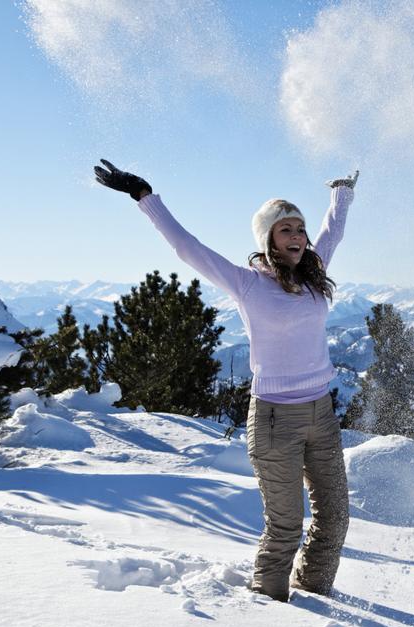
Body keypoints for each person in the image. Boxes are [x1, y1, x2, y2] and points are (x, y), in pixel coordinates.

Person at [94, 158, 358, 603]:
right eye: (285, 229)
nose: (297, 236)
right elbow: (187, 247)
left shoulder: (313, 275)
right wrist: (145, 197)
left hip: (321, 414)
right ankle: (270, 605)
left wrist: (342, 194)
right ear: (269, 240)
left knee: (335, 517)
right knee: (286, 524)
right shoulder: (248, 284)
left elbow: (332, 232)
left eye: (299, 228)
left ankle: (315, 596)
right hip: (275, 420)